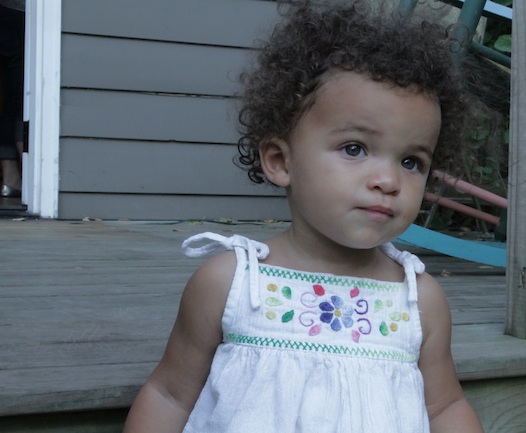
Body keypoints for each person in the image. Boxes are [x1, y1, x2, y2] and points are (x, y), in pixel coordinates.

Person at [123, 1, 484, 432]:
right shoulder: (233, 285)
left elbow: (444, 407)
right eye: (355, 148)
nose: (388, 181)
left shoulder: (418, 301)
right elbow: (170, 394)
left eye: (411, 161)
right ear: (280, 161)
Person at [0, 0, 24, 198]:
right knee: (26, 99)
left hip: (7, 12)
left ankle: (11, 180)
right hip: (18, 12)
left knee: (11, 100)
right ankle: (33, 178)